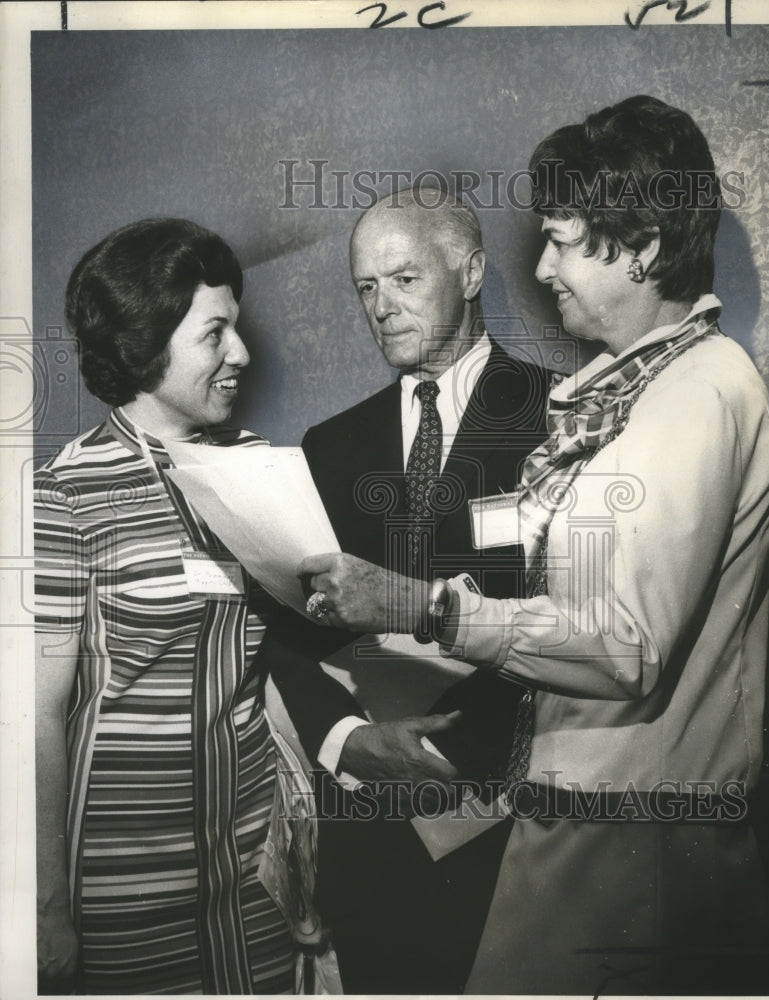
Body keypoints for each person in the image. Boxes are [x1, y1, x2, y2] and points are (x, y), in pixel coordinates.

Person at [298, 96, 769, 994]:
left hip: (627, 835)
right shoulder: (629, 391)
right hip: (580, 818)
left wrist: (414, 603)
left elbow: (624, 645)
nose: (546, 265)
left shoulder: (699, 393)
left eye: (561, 238)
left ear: (640, 244)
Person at [265, 188, 550, 993]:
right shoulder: (331, 445)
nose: (381, 308)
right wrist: (348, 741)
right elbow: (287, 634)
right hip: (371, 835)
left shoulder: (560, 418)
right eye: (365, 287)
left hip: (516, 832)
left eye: (403, 279)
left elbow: (588, 621)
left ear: (470, 270)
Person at [34, 218, 328, 994]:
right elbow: (33, 717)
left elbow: (289, 662)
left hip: (257, 866)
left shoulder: (260, 469)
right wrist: (46, 907)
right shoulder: (63, 495)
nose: (243, 354)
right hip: (125, 877)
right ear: (147, 340)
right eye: (216, 333)